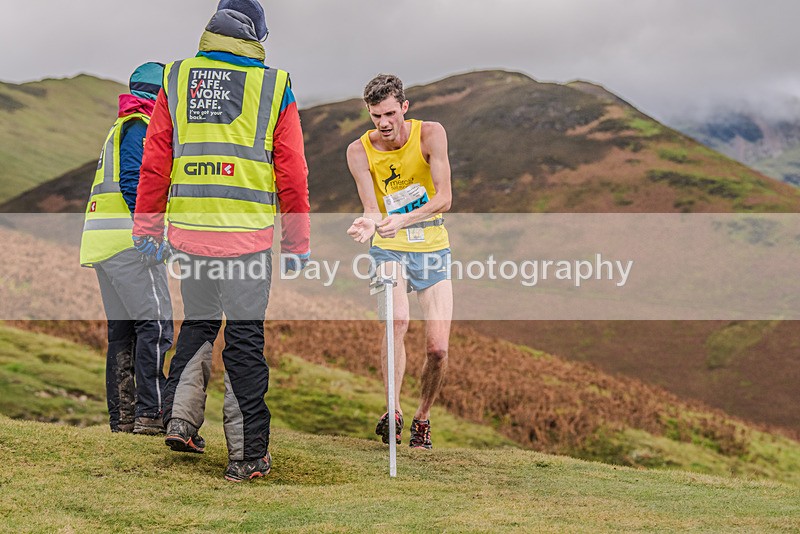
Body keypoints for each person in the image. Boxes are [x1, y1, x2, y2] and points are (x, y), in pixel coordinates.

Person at [132, 0, 310, 482]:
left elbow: (156, 160)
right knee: (245, 342)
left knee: (198, 325)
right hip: (247, 240)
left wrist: (148, 228)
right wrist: (296, 242)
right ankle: (248, 455)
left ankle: (180, 422)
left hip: (191, 236)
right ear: (255, 35)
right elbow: (291, 170)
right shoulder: (274, 85)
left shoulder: (175, 77)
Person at [347, 74, 453, 450]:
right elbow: (372, 208)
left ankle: (422, 417)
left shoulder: (430, 134)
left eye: (390, 113)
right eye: (376, 116)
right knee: (397, 320)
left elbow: (445, 198)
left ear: (404, 107)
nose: (384, 123)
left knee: (438, 348)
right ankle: (392, 410)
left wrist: (405, 219)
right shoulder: (359, 151)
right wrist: (368, 222)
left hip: (432, 245)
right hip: (388, 247)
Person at [79, 62, 174, 435]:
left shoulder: (119, 127)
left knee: (124, 332)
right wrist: (151, 233)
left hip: (103, 245)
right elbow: (135, 179)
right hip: (128, 244)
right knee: (156, 325)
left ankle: (123, 418)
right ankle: (150, 415)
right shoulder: (141, 126)